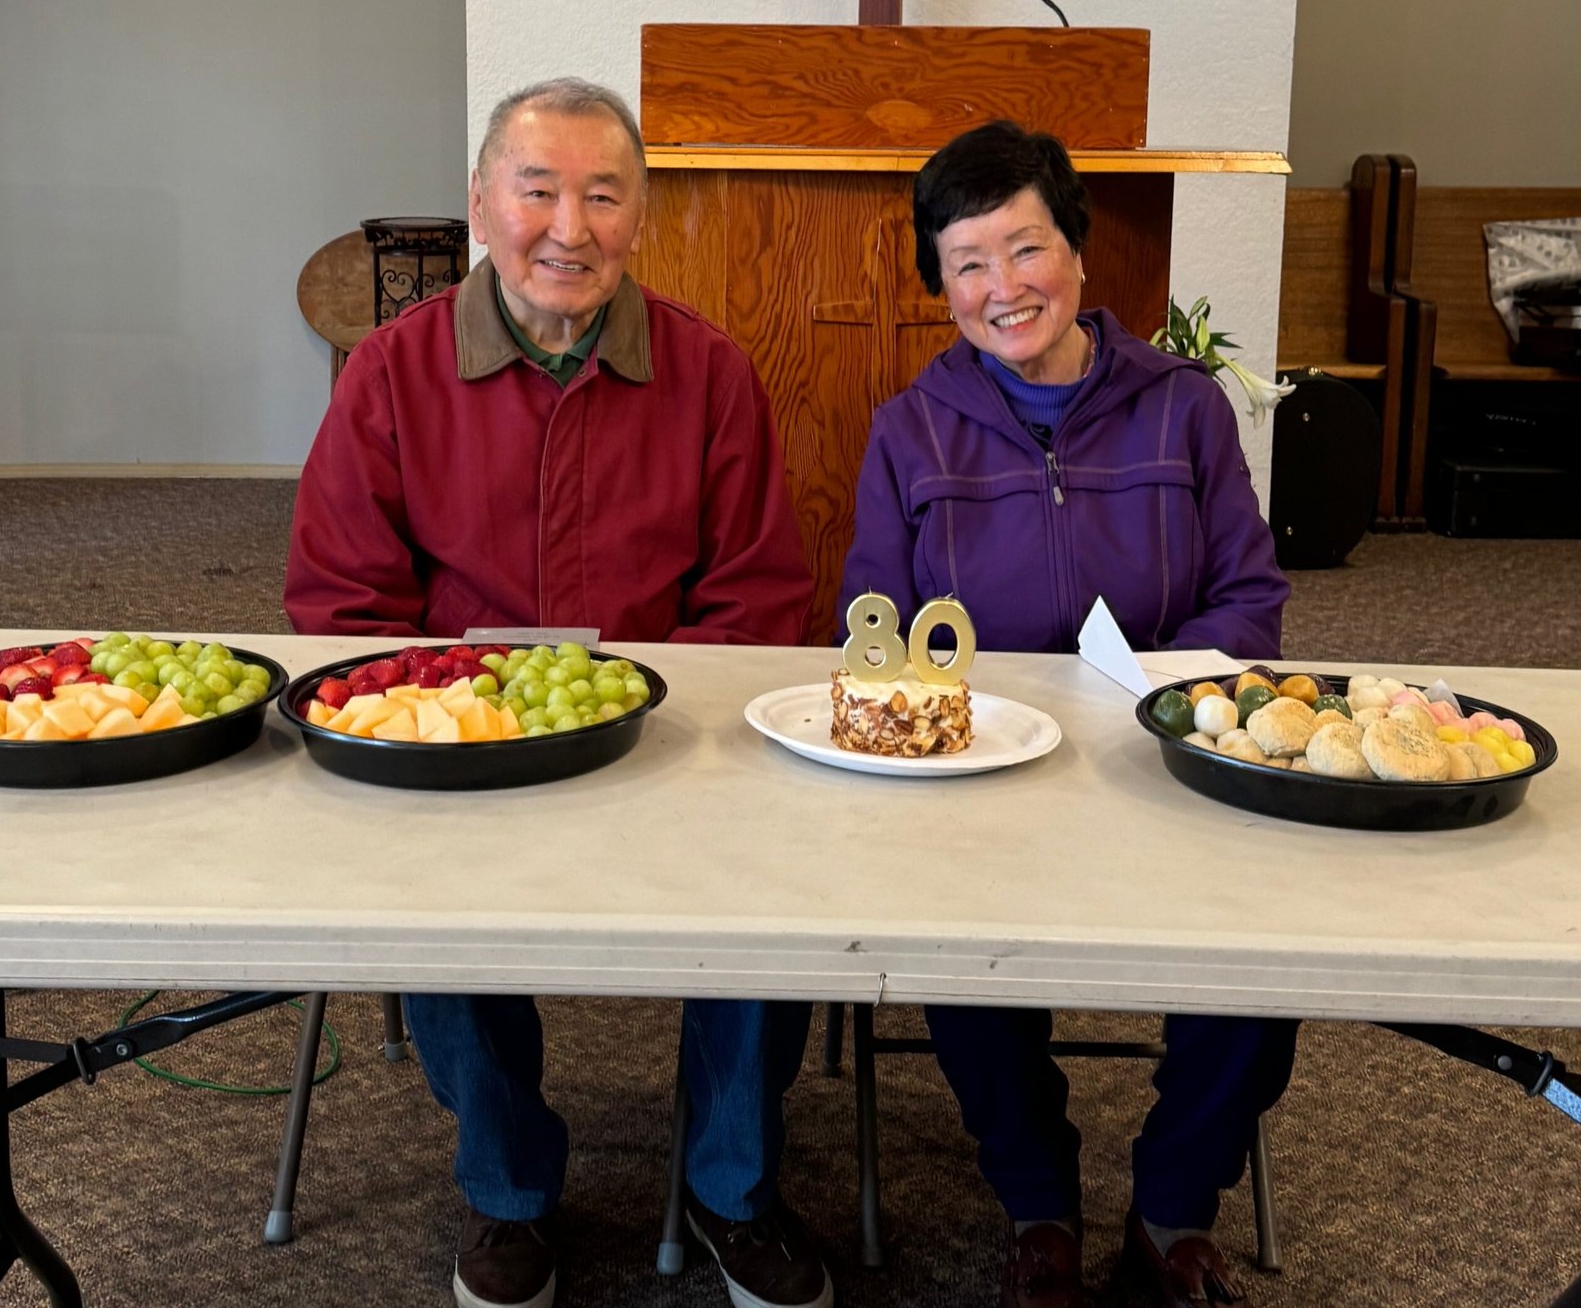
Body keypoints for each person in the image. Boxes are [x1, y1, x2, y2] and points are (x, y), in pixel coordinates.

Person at [286, 79, 831, 1308]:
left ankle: (732, 1184)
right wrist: (446, 724)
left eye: (603, 195)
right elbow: (342, 601)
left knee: (782, 879)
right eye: (537, 191)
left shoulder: (710, 370)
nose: (569, 229)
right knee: (425, 895)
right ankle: (508, 1183)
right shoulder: (389, 372)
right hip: (461, 748)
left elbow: (758, 596)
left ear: (642, 215)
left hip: (665, 740)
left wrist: (653, 722)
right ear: (481, 204)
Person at [838, 120, 1298, 1308]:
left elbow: (1249, 597)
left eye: (1025, 247)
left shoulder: (1182, 407)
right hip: (983, 775)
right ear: (941, 285)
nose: (1003, 286)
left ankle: (1171, 1209)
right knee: (951, 936)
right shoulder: (908, 428)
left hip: (1165, 755)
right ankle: (1037, 1199)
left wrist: (1165, 699)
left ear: (1080, 255)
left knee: (1273, 944)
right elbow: (873, 623)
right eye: (967, 263)